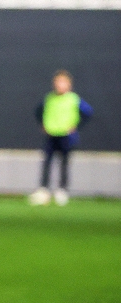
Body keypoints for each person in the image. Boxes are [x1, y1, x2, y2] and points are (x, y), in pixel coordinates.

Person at [28, 70, 93, 206]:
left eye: (63, 82)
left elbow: (88, 112)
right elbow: (38, 111)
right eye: (58, 82)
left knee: (64, 163)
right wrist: (43, 125)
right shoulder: (49, 98)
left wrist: (75, 126)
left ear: (69, 85)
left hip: (66, 136)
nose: (60, 85)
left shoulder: (73, 99)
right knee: (47, 162)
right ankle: (43, 190)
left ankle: (62, 191)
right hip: (52, 134)